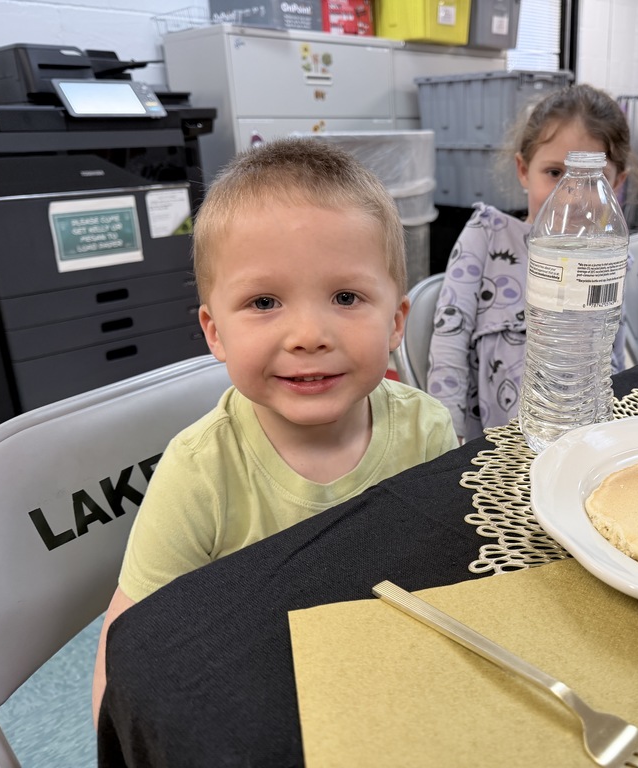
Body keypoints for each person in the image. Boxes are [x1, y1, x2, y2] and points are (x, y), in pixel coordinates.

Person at [91, 138, 457, 724]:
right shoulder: (199, 472)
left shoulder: (428, 430)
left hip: (394, 682)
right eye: (264, 302)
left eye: (345, 296)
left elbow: (449, 575)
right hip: (251, 699)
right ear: (215, 333)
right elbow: (130, 637)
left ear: (395, 321)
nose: (308, 334)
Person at [426, 83, 634, 442]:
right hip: (492, 446)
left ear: (616, 184)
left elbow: (610, 352)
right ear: (524, 170)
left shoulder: (607, 257)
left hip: (577, 435)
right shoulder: (487, 235)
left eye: (593, 180)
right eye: (555, 173)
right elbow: (449, 340)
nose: (573, 199)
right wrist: (448, 437)